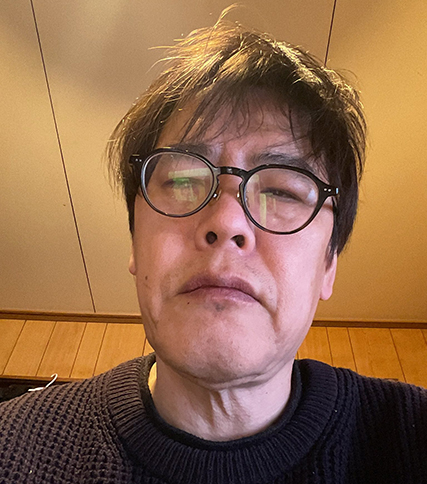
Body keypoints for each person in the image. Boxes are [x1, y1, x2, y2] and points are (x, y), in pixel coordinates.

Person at [1, 19, 426, 484]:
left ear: (328, 264)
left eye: (281, 191)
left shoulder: (411, 438)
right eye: (183, 180)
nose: (226, 222)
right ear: (135, 244)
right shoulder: (12, 447)